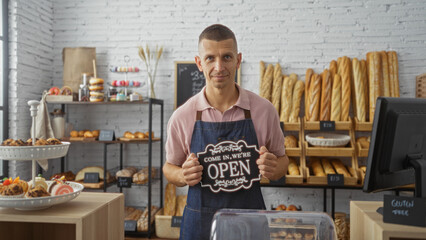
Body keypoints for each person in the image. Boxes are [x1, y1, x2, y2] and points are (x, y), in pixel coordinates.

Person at [163, 24, 289, 240]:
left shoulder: (263, 110)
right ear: (199, 63)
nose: (219, 67)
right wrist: (182, 175)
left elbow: (283, 161)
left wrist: (274, 167)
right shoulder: (183, 115)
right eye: (210, 58)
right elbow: (169, 167)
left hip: (250, 225)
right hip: (200, 225)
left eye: (227, 57)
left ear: (238, 60)